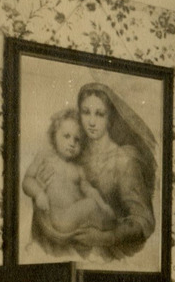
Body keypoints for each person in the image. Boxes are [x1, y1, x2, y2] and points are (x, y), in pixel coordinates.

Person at [29, 82, 158, 261]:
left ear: (110, 118)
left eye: (100, 114)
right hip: (63, 240)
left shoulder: (124, 160)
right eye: (85, 112)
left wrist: (106, 238)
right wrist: (41, 190)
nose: (91, 122)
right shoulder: (73, 150)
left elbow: (144, 221)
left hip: (107, 252)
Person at [21, 108, 114, 251]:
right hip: (58, 217)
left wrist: (103, 204)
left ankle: (108, 223)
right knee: (91, 205)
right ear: (54, 135)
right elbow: (27, 180)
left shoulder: (78, 168)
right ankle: (110, 224)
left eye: (77, 139)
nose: (72, 143)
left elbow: (89, 190)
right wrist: (38, 193)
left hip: (73, 218)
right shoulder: (45, 157)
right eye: (66, 136)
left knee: (94, 204)